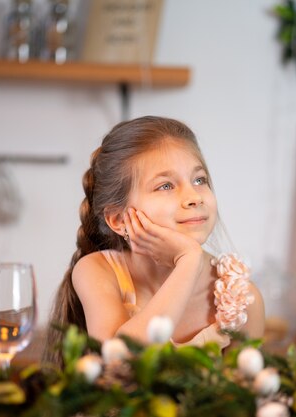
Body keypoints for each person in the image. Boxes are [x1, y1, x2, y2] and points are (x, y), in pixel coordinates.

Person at [45, 116, 264, 365]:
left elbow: (241, 400)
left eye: (199, 180)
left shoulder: (240, 299)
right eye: (166, 186)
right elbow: (120, 361)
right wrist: (188, 262)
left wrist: (187, 259)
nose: (194, 197)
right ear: (118, 220)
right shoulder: (98, 271)